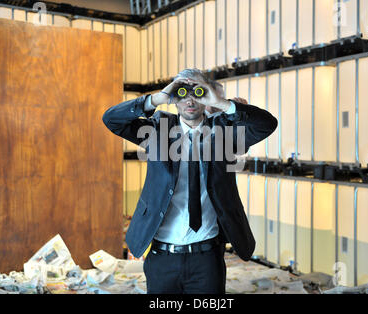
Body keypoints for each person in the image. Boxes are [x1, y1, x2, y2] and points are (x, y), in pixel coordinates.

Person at [102, 68, 278, 294]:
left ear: (207, 97)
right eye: (181, 92)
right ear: (174, 99)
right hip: (162, 257)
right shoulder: (157, 130)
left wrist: (223, 103)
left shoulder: (225, 133)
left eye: (198, 92)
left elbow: (267, 124)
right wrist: (157, 98)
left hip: (206, 259)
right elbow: (111, 119)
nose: (190, 99)